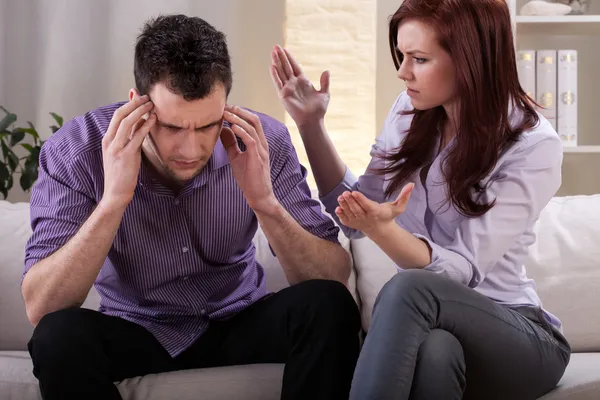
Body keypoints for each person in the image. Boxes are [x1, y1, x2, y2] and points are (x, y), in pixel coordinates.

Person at [22, 14, 361, 400]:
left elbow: (332, 278)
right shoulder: (77, 150)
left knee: (329, 306)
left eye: (207, 126)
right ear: (138, 105)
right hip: (137, 328)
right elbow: (42, 307)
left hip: (238, 320)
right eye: (172, 127)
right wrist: (114, 199)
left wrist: (265, 203)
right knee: (56, 337)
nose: (192, 149)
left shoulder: (264, 141)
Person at [269, 0, 571, 398]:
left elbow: (460, 269)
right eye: (401, 55)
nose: (402, 71)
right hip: (434, 330)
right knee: (434, 352)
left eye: (419, 58)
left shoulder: (533, 145)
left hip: (518, 335)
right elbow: (353, 213)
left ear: (470, 59)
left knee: (408, 288)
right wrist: (310, 125)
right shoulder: (409, 111)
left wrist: (381, 229)